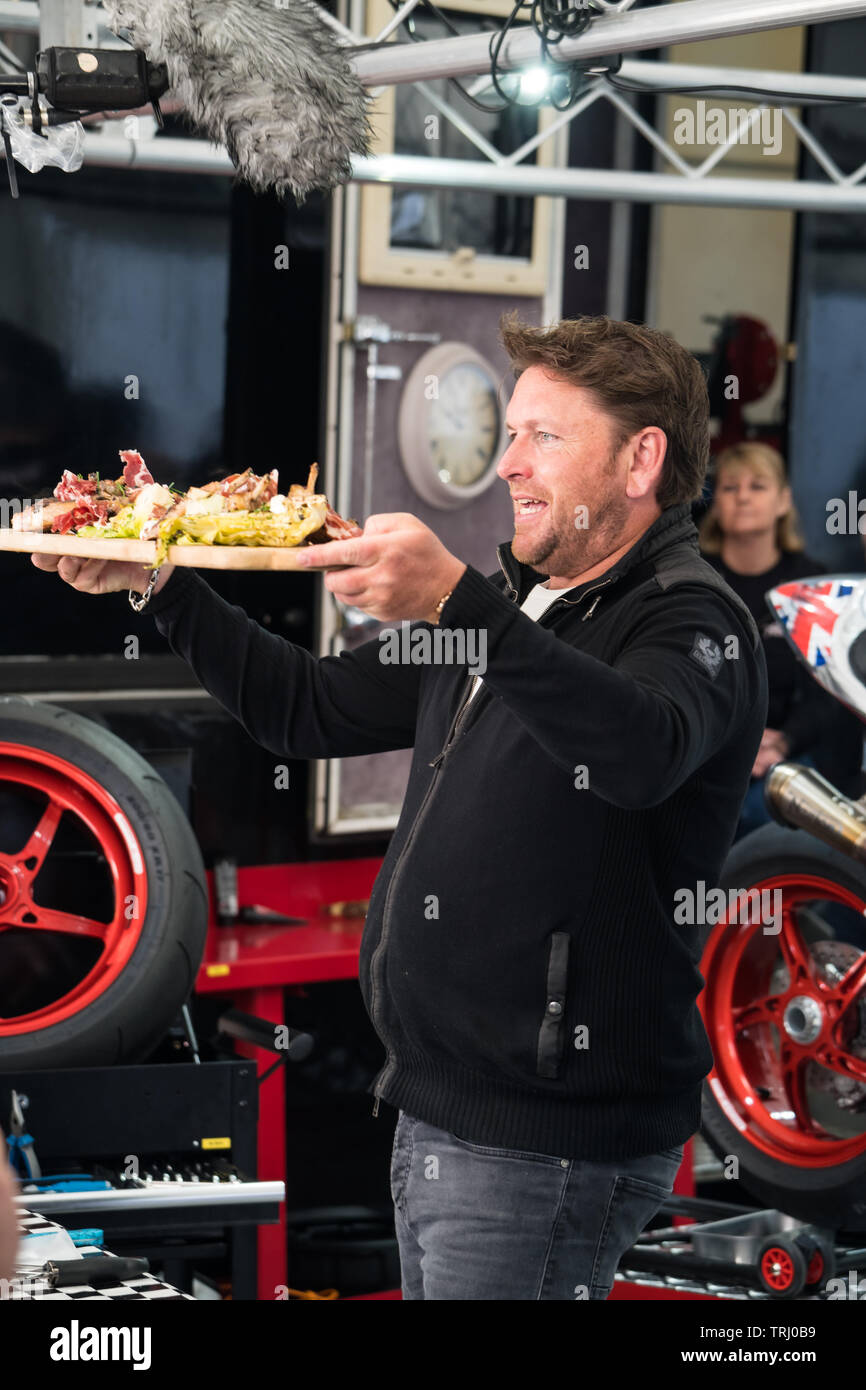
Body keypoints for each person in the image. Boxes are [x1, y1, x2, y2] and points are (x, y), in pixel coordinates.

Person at [32, 312, 768, 1301]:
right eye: (507, 434)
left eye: (543, 436)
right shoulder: (519, 605)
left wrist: (462, 605)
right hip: (438, 1111)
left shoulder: (690, 616)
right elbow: (305, 706)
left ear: (640, 460)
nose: (507, 465)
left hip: (546, 1137)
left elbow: (638, 750)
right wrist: (164, 585)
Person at [700, 441, 864, 837]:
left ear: (783, 501)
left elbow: (829, 691)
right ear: (715, 502)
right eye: (729, 487)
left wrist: (784, 741)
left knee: (759, 814)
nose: (742, 497)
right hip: (708, 747)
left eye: (757, 486)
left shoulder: (809, 587)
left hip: (790, 751)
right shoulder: (695, 581)